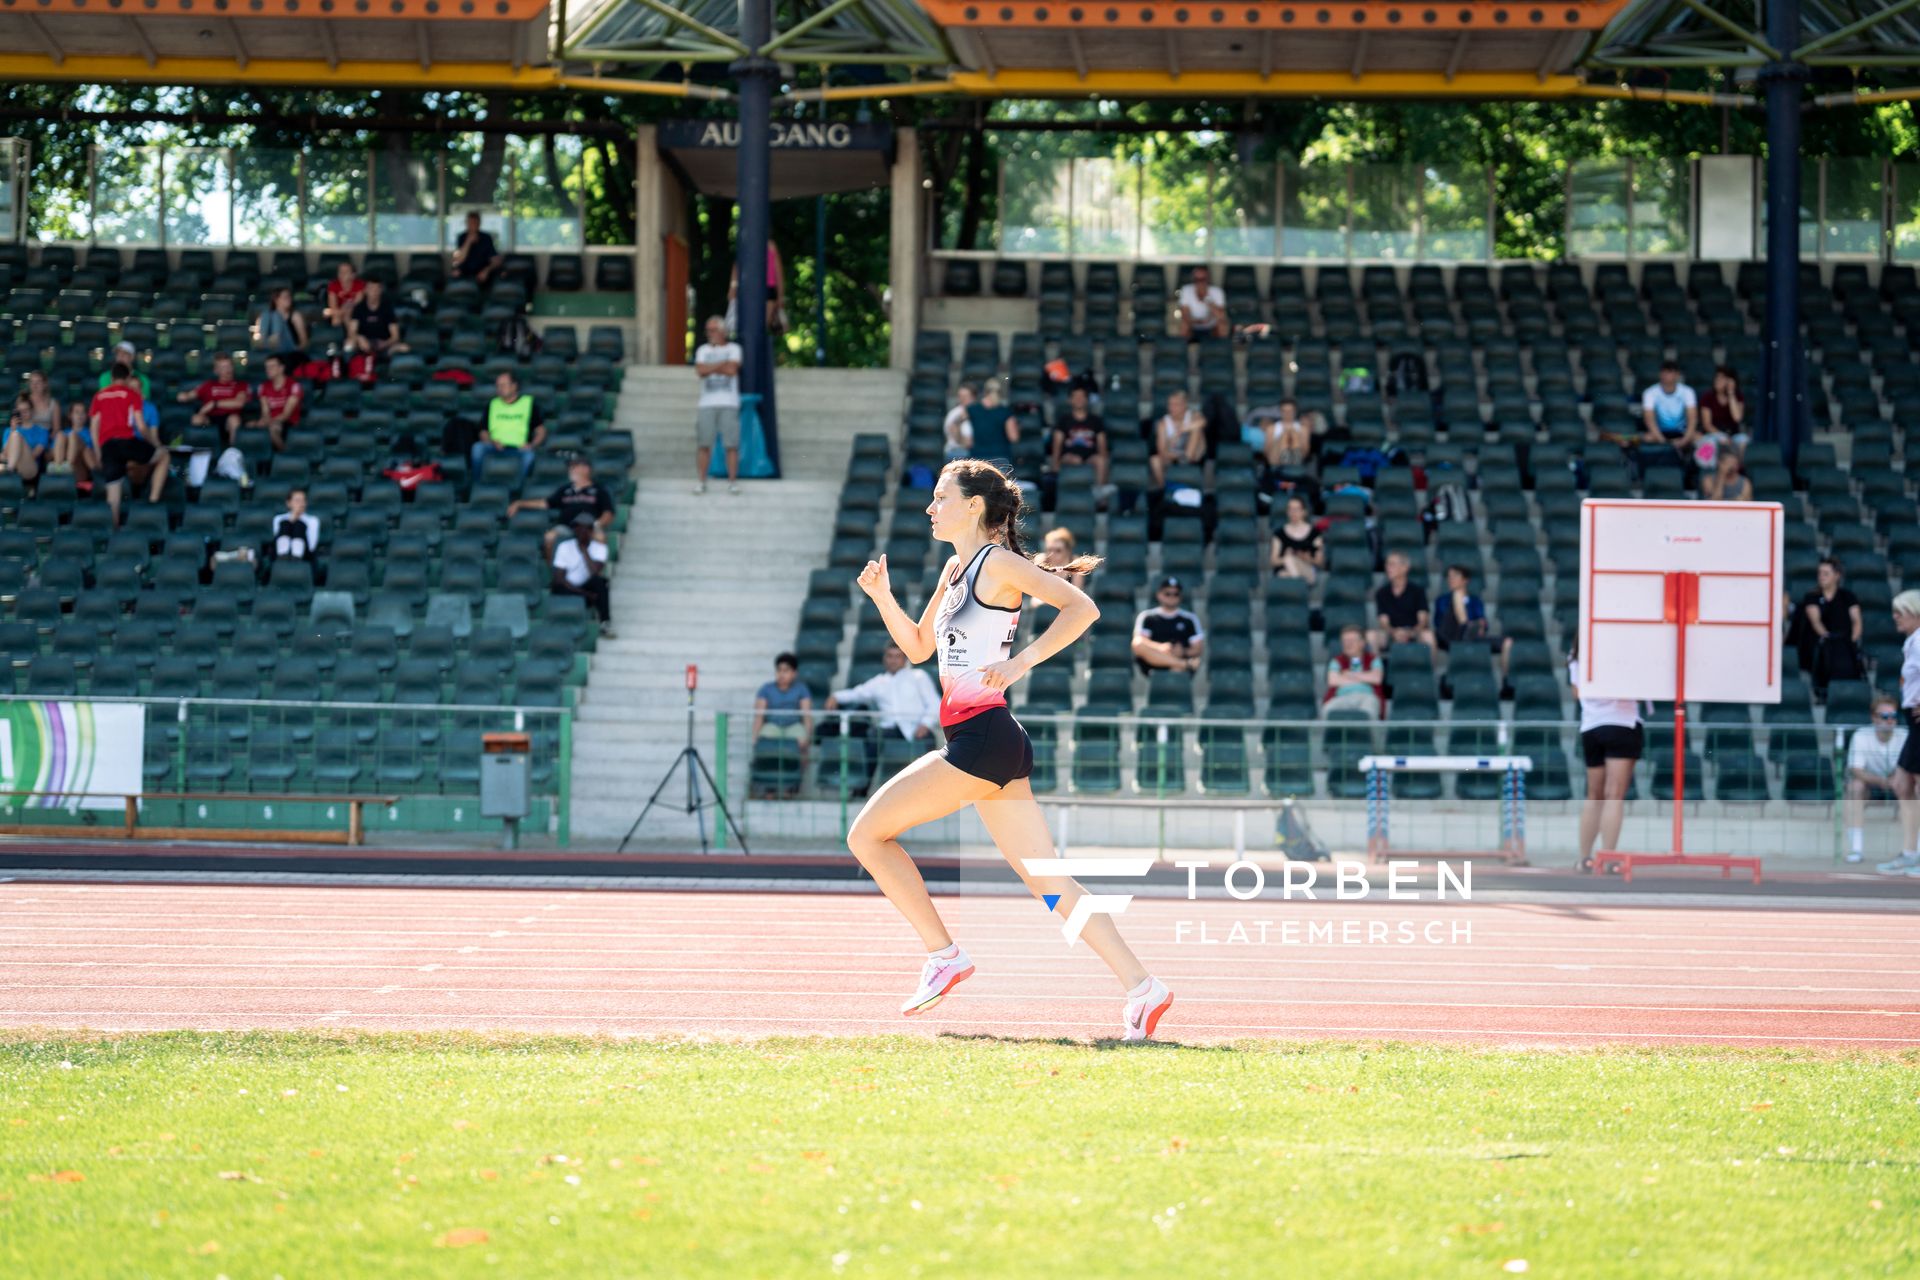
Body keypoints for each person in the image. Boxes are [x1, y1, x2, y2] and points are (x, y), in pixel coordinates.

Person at [846, 457, 1172, 1040]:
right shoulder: (955, 569)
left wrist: (1020, 662)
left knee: (866, 834)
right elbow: (919, 648)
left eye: (941, 497)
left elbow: (1083, 608)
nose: (930, 508)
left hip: (982, 737)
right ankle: (1144, 989)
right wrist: (882, 597)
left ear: (974, 506)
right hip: (990, 741)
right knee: (1049, 883)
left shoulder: (997, 563)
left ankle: (944, 954)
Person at [1571, 641, 1643, 872]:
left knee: (1594, 796)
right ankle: (1608, 858)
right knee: (1613, 796)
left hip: (1591, 725)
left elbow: (1576, 692)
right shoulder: (1622, 651)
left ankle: (1584, 859)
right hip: (1622, 722)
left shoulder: (1577, 655)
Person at [92, 361, 167, 525]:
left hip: (108, 446)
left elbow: (94, 426)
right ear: (126, 378)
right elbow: (140, 426)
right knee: (164, 456)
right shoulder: (131, 394)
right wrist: (153, 445)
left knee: (113, 494)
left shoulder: (99, 396)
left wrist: (98, 451)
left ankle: (114, 532)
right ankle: (152, 502)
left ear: (112, 378)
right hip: (126, 442)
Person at [827, 642, 940, 748]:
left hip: (917, 728)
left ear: (905, 659)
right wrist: (835, 696)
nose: (893, 660)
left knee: (929, 740)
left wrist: (925, 724)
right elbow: (857, 693)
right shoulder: (878, 682)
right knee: (872, 736)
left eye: (897, 656)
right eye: (889, 656)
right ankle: (868, 769)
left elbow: (934, 703)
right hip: (889, 730)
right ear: (884, 658)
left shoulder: (919, 676)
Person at [1879, 593, 1920, 876]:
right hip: (1913, 720)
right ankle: (1909, 852)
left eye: (1901, 611)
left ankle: (1912, 853)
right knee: (1902, 784)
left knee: (1909, 784)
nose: (1895, 616)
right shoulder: (1912, 641)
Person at [509, 455, 616, 558]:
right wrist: (520, 503)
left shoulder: (599, 490)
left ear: (586, 469)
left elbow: (608, 513)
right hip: (566, 527)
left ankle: (597, 574)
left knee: (600, 538)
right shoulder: (565, 489)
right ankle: (556, 573)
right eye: (570, 467)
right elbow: (545, 503)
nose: (570, 470)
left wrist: (597, 524)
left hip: (589, 527)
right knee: (549, 537)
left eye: (574, 467)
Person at [1845, 695, 1908, 864]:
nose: (1890, 721)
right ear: (1874, 718)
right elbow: (1856, 770)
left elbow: (1909, 769)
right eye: (1885, 717)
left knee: (1915, 789)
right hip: (1872, 783)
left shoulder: (1904, 736)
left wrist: (1897, 779)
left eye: (1893, 716)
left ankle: (1912, 850)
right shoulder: (1861, 736)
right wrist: (1882, 781)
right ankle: (1856, 849)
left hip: (1898, 782)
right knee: (1854, 787)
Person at [1796, 557, 1864, 695]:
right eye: (1819, 573)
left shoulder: (1848, 596)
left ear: (1837, 575)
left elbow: (1857, 621)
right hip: (1821, 644)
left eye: (1826, 573)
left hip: (1844, 642)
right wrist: (1827, 637)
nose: (1821, 577)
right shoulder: (1812, 597)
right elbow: (1816, 622)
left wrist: (1851, 640)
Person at [692, 314, 742, 496]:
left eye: (713, 330)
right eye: (708, 330)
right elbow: (700, 370)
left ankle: (732, 482)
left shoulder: (735, 348)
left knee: (731, 445)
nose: (709, 333)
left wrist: (711, 366)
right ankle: (701, 481)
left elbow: (732, 370)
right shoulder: (702, 350)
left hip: (729, 403)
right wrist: (722, 364)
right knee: (704, 444)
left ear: (723, 331)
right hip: (706, 404)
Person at [1433, 563, 1512, 676]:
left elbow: (1482, 623)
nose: (1451, 579)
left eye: (1455, 576)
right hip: (1450, 636)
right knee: (1457, 595)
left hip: (1472, 636)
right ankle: (1466, 630)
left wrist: (1480, 626)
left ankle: (1506, 682)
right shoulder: (1442, 600)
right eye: (1449, 577)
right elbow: (1440, 623)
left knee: (1507, 642)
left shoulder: (1475, 601)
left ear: (1465, 580)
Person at [753, 652, 815, 795]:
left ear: (794, 673)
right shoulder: (766, 689)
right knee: (765, 743)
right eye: (779, 670)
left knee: (801, 743)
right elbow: (759, 715)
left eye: (786, 671)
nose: (781, 674)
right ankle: (770, 787)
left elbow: (806, 715)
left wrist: (807, 736)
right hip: (773, 725)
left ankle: (792, 786)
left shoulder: (801, 689)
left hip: (793, 726)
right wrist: (755, 737)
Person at [471, 371, 544, 483]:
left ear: (514, 386)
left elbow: (540, 430)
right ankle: (477, 484)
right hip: (495, 447)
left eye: (503, 385)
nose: (499, 388)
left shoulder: (528, 403)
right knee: (478, 448)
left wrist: (532, 445)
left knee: (529, 455)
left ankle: (518, 488)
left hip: (519, 448)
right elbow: (483, 431)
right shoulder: (492, 404)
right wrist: (491, 442)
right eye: (498, 386)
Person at [551, 512, 614, 638]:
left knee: (601, 582)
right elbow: (559, 578)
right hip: (568, 589)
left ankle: (604, 622)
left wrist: (584, 550)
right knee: (557, 585)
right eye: (577, 528)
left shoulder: (600, 548)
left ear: (591, 531)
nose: (580, 531)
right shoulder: (564, 547)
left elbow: (594, 573)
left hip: (587, 588)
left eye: (585, 528)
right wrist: (584, 594)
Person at [1132, 576, 1205, 676]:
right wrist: (1160, 647)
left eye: (1176, 594)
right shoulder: (1147, 617)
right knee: (1137, 643)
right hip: (1152, 662)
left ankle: (1180, 664)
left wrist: (1183, 651)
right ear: (1159, 595)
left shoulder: (1189, 619)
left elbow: (1198, 648)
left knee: (1176, 671)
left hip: (1178, 662)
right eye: (1167, 593)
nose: (1171, 597)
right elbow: (1139, 643)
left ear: (1181, 596)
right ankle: (1183, 664)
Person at [1637, 361, 1699, 473]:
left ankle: (1696, 472)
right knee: (1646, 438)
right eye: (1663, 372)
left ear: (1677, 375)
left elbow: (1692, 418)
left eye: (1669, 372)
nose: (1665, 376)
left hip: (1682, 432)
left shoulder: (1687, 392)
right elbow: (1649, 419)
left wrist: (1685, 439)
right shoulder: (1650, 392)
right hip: (1659, 433)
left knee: (1702, 439)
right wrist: (1662, 440)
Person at [178, 354, 251, 447]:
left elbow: (239, 403)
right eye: (223, 367)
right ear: (216, 371)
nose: (228, 370)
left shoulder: (240, 385)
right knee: (196, 419)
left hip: (229, 420)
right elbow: (189, 395)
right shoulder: (209, 385)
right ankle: (196, 455)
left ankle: (233, 453)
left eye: (229, 366)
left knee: (234, 419)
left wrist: (214, 404)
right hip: (210, 420)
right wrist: (183, 396)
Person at [1370, 550, 1433, 652]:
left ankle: (1429, 668)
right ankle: (1377, 668)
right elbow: (1383, 622)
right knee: (1371, 636)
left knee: (1428, 636)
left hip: (1414, 632)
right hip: (1391, 633)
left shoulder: (1418, 591)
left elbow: (1423, 620)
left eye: (1392, 564)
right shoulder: (1381, 592)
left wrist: (1411, 632)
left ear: (1405, 568)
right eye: (1387, 564)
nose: (1387, 567)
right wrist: (1394, 632)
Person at [1048, 385, 1110, 488]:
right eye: (1076, 397)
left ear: (1087, 400)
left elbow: (1102, 444)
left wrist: (1104, 459)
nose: (1079, 400)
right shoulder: (1063, 420)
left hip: (1090, 456)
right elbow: (1057, 444)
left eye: (1082, 397)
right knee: (1075, 460)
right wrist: (1055, 465)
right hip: (1069, 456)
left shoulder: (1096, 421)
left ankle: (1100, 495)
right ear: (1070, 400)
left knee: (1101, 460)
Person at [1323, 624, 1385, 719]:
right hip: (1342, 697)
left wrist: (1348, 675)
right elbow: (1333, 680)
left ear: (1362, 643)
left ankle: (1371, 734)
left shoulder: (1373, 659)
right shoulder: (1336, 661)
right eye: (1345, 641)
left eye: (1352, 641)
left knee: (1370, 709)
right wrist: (1364, 677)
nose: (1348, 644)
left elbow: (1376, 678)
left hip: (1367, 696)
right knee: (1328, 709)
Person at [1150, 389, 1207, 487]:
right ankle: (1164, 488)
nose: (1172, 408)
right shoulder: (1163, 423)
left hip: (1193, 454)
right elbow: (1162, 451)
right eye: (1170, 404)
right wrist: (1177, 455)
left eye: (1176, 404)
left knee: (1197, 429)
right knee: (1154, 460)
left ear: (1184, 405)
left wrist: (1181, 430)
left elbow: (1203, 422)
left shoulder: (1193, 415)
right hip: (1174, 454)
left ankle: (1187, 458)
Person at [252, 353, 303, 454]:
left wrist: (267, 422)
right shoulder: (264, 386)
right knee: (249, 427)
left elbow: (286, 414)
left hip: (288, 423)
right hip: (271, 420)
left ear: (281, 368)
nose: (268, 369)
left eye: (272, 366)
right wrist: (263, 421)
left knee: (273, 428)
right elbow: (265, 411)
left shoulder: (293, 386)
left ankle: (286, 454)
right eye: (266, 367)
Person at [348, 278, 408, 359]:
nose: (374, 292)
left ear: (380, 291)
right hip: (364, 345)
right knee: (349, 344)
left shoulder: (387, 308)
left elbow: (395, 335)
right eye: (371, 289)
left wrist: (385, 343)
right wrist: (359, 338)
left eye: (376, 289)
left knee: (404, 348)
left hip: (383, 344)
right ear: (366, 290)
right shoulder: (359, 308)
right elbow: (352, 331)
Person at [1269, 494, 1323, 583]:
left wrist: (1305, 558)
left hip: (1306, 569)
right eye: (1290, 509)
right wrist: (1287, 558)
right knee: (1283, 572)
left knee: (1286, 567)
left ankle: (1298, 585)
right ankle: (1299, 585)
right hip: (1287, 571)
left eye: (1296, 509)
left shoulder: (1314, 533)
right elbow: (1273, 561)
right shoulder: (1279, 534)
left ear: (1304, 512)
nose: (1293, 512)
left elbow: (1320, 561)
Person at [964, 381, 1019, 465]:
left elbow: (967, 439)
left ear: (984, 392)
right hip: (1000, 457)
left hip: (977, 459)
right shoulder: (1006, 412)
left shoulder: (971, 410)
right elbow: (1013, 437)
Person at [1696, 364, 1746, 454]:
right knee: (1713, 442)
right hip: (1713, 434)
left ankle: (1737, 466)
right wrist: (1721, 436)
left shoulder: (1738, 396)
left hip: (1733, 435)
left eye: (1722, 378)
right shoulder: (1707, 397)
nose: (1717, 381)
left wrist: (1731, 393)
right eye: (1717, 378)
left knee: (1743, 440)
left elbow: (1737, 418)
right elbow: (1707, 424)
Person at [1, 393, 51, 482]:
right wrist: (13, 430)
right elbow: (5, 453)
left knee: (16, 436)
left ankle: (8, 471)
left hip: (30, 468)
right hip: (13, 465)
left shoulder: (42, 431)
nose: (23, 413)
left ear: (32, 410)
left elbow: (35, 454)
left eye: (26, 410)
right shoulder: (9, 430)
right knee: (14, 434)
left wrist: (18, 449)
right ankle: (9, 469)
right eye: (20, 411)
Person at [1176, 264, 1229, 341]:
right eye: (1196, 279)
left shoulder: (1217, 292)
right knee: (1183, 325)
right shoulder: (1186, 290)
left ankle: (1221, 350)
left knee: (1222, 325)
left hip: (1211, 324)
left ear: (1208, 279)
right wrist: (1194, 321)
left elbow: (1220, 315)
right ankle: (1181, 349)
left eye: (1202, 279)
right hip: (1192, 324)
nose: (1199, 283)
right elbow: (1185, 314)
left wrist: (1207, 299)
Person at [254, 286, 309, 358]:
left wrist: (297, 351)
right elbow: (257, 335)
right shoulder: (265, 316)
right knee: (267, 314)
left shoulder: (295, 315)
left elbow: (304, 341)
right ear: (276, 300)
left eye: (290, 297)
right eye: (285, 297)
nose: (289, 300)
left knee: (276, 316)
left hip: (289, 348)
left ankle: (275, 338)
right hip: (269, 347)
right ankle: (270, 343)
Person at [51, 400, 97, 486]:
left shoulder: (91, 433)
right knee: (61, 435)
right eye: (76, 412)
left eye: (82, 412)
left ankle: (68, 466)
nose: (80, 415)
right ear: (70, 416)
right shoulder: (64, 432)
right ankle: (59, 467)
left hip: (80, 469)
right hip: (62, 467)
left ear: (86, 416)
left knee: (73, 435)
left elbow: (90, 455)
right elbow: (51, 452)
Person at [269, 487, 321, 563]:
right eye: (297, 501)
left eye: (303, 501)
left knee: (299, 525)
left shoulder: (313, 520)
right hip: (279, 554)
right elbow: (276, 541)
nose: (301, 504)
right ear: (288, 503)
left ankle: (296, 559)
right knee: (285, 524)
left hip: (304, 555)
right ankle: (282, 558)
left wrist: (298, 520)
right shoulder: (278, 519)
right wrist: (292, 518)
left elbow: (311, 546)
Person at [451, 211, 503, 284]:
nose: (473, 225)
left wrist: (487, 270)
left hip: (482, 269)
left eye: (475, 223)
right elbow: (459, 259)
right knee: (455, 273)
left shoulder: (486, 238)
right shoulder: (462, 237)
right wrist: (468, 241)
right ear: (466, 223)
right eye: (470, 223)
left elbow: (495, 259)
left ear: (479, 224)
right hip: (466, 270)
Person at [323, 260, 365, 330]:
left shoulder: (359, 284)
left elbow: (358, 304)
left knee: (347, 313)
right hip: (338, 312)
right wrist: (342, 310)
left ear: (353, 275)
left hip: (354, 312)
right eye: (340, 271)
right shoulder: (333, 285)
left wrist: (345, 309)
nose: (342, 274)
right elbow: (333, 306)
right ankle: (339, 339)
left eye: (345, 272)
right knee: (336, 317)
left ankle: (351, 338)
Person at [943, 383, 976, 462]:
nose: (962, 399)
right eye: (960, 396)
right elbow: (961, 441)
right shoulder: (953, 414)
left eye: (965, 396)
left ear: (973, 397)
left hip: (977, 450)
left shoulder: (980, 413)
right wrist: (959, 421)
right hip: (957, 451)